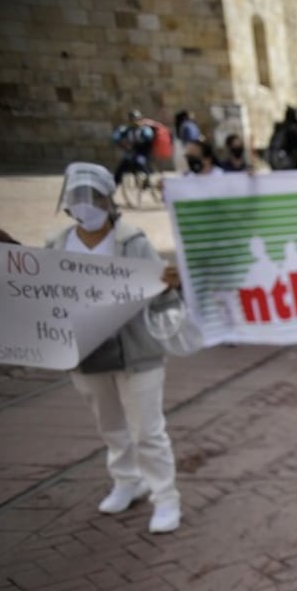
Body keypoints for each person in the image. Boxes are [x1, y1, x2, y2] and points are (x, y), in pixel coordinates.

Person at [54, 163, 184, 532]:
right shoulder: (58, 243)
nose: (85, 206)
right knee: (110, 424)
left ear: (108, 199)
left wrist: (167, 283)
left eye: (93, 197)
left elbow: (158, 291)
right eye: (77, 198)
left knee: (147, 429)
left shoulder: (133, 241)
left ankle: (166, 497)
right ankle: (127, 480)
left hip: (137, 352)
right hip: (87, 352)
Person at [112, 110, 156, 190]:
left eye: (136, 119)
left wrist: (138, 142)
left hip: (142, 154)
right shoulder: (127, 130)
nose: (134, 121)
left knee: (141, 164)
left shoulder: (144, 130)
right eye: (132, 119)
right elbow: (116, 137)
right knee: (120, 170)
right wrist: (123, 144)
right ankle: (116, 186)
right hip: (131, 154)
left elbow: (148, 138)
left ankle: (147, 181)